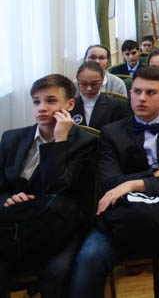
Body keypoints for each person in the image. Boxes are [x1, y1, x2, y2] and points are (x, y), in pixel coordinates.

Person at [69, 66, 159, 298]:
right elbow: (109, 183)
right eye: (137, 91)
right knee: (88, 260)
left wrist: (131, 184)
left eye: (150, 93)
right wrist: (155, 175)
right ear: (130, 93)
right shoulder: (111, 133)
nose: (141, 98)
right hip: (122, 212)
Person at [0, 75, 97, 298]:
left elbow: (59, 187)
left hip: (57, 226)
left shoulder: (85, 143)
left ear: (69, 105)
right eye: (36, 101)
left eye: (50, 101)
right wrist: (8, 199)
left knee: (56, 271)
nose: (41, 108)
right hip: (14, 223)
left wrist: (59, 141)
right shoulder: (12, 139)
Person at [72, 61, 130, 129]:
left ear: (102, 81)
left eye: (94, 84)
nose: (89, 88)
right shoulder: (69, 105)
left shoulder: (115, 106)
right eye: (84, 84)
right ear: (78, 82)